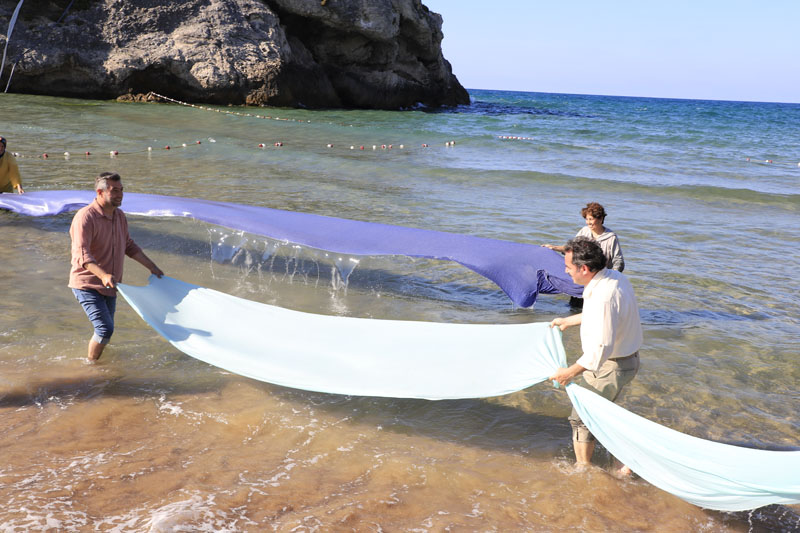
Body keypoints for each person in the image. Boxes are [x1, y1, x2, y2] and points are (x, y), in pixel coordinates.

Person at [547, 237, 643, 475]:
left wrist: (568, 373)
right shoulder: (613, 278)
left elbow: (601, 348)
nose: (566, 271)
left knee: (581, 418)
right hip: (626, 361)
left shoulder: (603, 296)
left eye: (569, 267)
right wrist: (570, 320)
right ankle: (624, 464)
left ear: (585, 269)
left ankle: (584, 469)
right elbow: (607, 316)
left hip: (612, 366)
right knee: (601, 414)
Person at [69, 172, 164, 362]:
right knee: (105, 329)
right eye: (114, 191)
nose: (120, 194)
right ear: (100, 192)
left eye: (121, 190)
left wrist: (152, 267)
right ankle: (91, 365)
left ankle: (97, 361)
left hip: (111, 285)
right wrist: (103, 275)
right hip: (87, 284)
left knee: (107, 331)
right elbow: (82, 255)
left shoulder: (119, 216)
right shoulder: (85, 217)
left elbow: (128, 245)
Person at [543, 202, 624, 272]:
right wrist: (553, 247)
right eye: (587, 219)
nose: (588, 222)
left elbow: (618, 261)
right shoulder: (584, 231)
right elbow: (572, 248)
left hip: (602, 276)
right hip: (584, 274)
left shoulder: (611, 237)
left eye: (591, 219)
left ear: (600, 219)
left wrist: (613, 276)